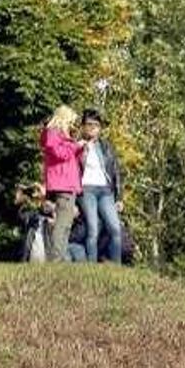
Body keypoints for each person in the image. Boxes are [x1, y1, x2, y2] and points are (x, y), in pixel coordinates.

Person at [77, 108, 125, 264]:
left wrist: (119, 197)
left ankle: (116, 267)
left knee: (115, 228)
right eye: (89, 124)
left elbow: (116, 171)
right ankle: (92, 268)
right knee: (93, 229)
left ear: (100, 128)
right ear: (83, 126)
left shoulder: (106, 146)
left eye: (96, 125)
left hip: (105, 191)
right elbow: (72, 173)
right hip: (87, 190)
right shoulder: (76, 146)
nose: (92, 128)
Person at [40, 105, 84, 262]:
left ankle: (60, 256)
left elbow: (69, 155)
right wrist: (75, 146)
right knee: (62, 223)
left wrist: (79, 148)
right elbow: (60, 154)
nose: (71, 124)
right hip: (62, 183)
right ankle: (56, 258)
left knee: (66, 224)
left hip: (68, 183)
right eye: (70, 120)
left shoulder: (61, 136)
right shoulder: (53, 134)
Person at [15, 183, 52, 263]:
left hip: (47, 252)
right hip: (32, 253)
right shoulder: (28, 211)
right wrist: (21, 195)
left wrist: (43, 196)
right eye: (34, 192)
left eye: (38, 191)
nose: (35, 194)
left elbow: (47, 209)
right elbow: (21, 217)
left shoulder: (50, 207)